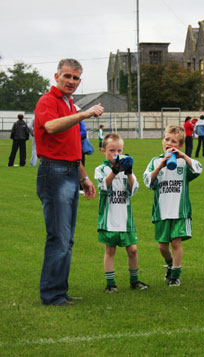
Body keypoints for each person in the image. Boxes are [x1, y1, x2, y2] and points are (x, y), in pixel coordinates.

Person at [34, 58, 104, 306]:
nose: (71, 81)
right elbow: (50, 127)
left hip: (69, 171)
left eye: (76, 78)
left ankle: (58, 291)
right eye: (67, 76)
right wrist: (83, 114)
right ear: (56, 77)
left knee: (67, 238)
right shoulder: (48, 101)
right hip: (53, 172)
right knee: (59, 237)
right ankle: (52, 295)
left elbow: (72, 148)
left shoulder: (68, 104)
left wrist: (83, 176)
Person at [143, 125, 202, 286]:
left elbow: (198, 169)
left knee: (176, 242)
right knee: (162, 246)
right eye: (167, 139)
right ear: (162, 141)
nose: (169, 143)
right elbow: (148, 182)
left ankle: (175, 276)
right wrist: (160, 166)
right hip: (161, 212)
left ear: (180, 145)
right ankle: (170, 265)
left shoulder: (183, 163)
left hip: (180, 211)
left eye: (174, 141)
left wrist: (183, 156)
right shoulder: (155, 161)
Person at [95, 133, 148, 292]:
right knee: (110, 250)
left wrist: (129, 172)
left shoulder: (126, 169)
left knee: (133, 249)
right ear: (103, 151)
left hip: (126, 219)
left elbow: (134, 189)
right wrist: (114, 171)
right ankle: (110, 284)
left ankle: (134, 281)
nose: (116, 154)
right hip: (109, 218)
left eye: (119, 150)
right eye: (112, 150)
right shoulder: (101, 169)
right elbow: (103, 187)